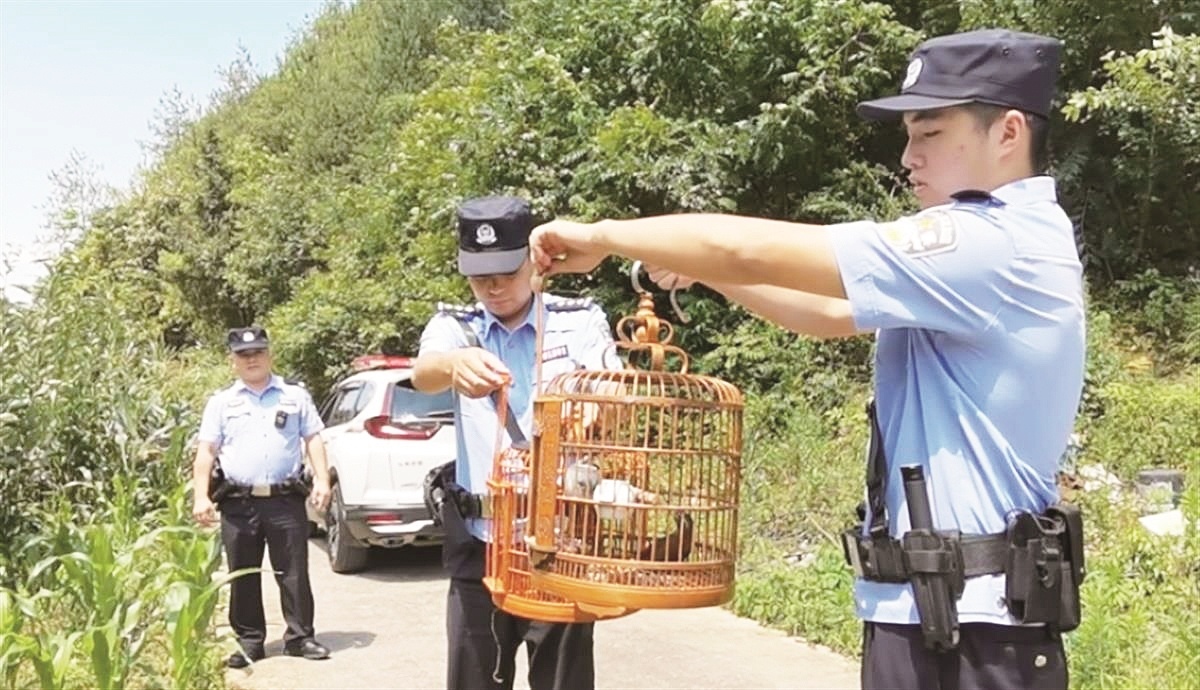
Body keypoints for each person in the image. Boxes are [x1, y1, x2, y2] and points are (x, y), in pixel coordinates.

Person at [529, 29, 1084, 690]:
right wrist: (700, 271)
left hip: (977, 635)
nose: (907, 157)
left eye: (928, 133)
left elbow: (745, 248)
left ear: (1008, 132)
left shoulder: (992, 243)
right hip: (931, 616)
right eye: (906, 135)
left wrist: (601, 237)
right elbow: (822, 316)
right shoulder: (982, 256)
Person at [412, 195, 622, 690]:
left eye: (506, 272)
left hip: (561, 536)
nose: (493, 286)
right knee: (473, 676)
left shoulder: (579, 319)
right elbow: (424, 372)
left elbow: (613, 382)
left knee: (563, 679)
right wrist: (454, 365)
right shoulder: (455, 327)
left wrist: (598, 401)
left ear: (535, 261)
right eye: (480, 274)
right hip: (479, 540)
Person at [192, 326, 334, 669]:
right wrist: (201, 496)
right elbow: (206, 451)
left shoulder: (294, 396)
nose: (251, 358)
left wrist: (322, 479)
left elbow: (313, 438)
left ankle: (300, 637)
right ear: (233, 361)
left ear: (269, 355)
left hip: (284, 499)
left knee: (294, 571)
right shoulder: (222, 403)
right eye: (243, 354)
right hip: (238, 503)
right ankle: (249, 641)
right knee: (243, 572)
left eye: (257, 352)